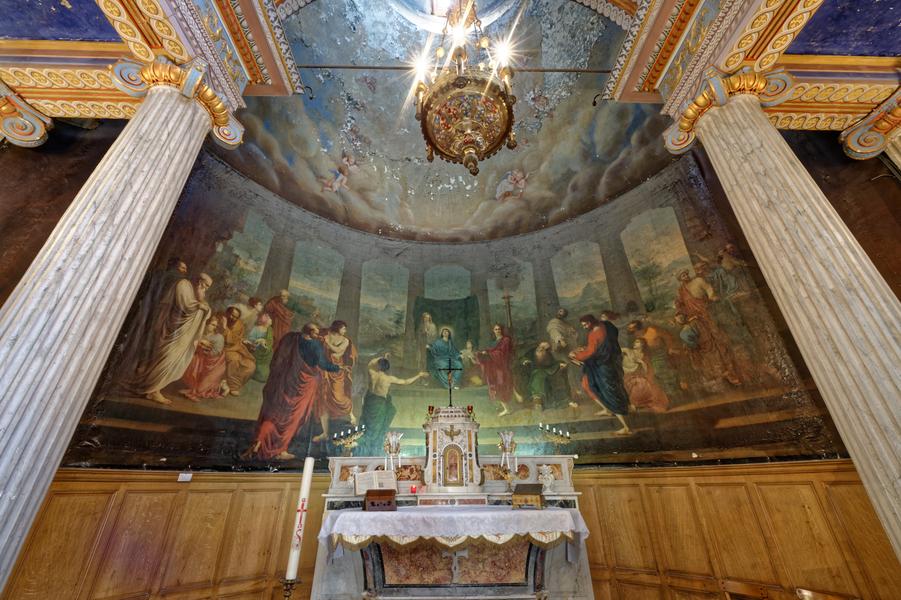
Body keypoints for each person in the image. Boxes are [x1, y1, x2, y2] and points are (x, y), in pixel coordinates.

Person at [248, 323, 341, 460]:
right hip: (305, 385)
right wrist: (337, 368)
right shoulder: (315, 345)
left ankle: (259, 441)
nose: (318, 335)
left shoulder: (292, 338)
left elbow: (279, 359)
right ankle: (281, 449)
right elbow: (323, 364)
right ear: (310, 333)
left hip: (286, 382)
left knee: (276, 414)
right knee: (293, 418)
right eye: (316, 332)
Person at [134, 273, 213, 405]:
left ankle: (154, 389)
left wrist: (203, 304)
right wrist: (201, 305)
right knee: (167, 356)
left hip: (185, 335)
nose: (204, 288)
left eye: (207, 287)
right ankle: (152, 389)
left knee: (173, 359)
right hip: (171, 329)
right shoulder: (183, 285)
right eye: (204, 285)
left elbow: (205, 308)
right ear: (199, 281)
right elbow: (186, 306)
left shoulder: (198, 291)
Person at [674, 269, 741, 385]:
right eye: (682, 276)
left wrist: (711, 296)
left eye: (685, 274)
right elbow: (679, 305)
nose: (685, 276)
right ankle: (719, 372)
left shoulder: (698, 281)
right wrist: (679, 315)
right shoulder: (681, 291)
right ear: (680, 279)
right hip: (695, 320)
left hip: (708, 315)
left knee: (719, 340)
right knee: (705, 345)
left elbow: (709, 289)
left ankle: (731, 370)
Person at [569, 314, 631, 435]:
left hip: (602, 366)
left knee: (610, 393)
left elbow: (591, 352)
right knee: (586, 383)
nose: (585, 327)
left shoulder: (594, 334)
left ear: (591, 321)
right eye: (583, 325)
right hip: (609, 362)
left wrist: (575, 355)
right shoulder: (605, 325)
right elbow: (599, 347)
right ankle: (606, 409)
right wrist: (587, 350)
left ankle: (626, 427)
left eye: (586, 324)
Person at [356, 353, 427, 456]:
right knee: (378, 428)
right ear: (387, 368)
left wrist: (382, 358)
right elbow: (405, 381)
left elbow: (370, 364)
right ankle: (373, 451)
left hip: (370, 402)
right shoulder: (388, 379)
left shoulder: (372, 373)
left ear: (379, 366)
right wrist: (419, 375)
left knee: (367, 426)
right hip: (379, 404)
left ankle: (366, 450)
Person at [313, 320, 357, 442]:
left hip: (337, 371)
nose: (345, 331)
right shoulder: (327, 336)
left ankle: (351, 415)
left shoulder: (345, 341)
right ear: (337, 328)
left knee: (339, 397)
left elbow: (338, 352)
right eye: (343, 328)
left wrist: (327, 343)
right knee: (323, 400)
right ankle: (325, 433)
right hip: (324, 371)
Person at [179, 315, 228, 401]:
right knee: (192, 360)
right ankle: (192, 386)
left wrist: (202, 349)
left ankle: (222, 386)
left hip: (213, 364)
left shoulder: (219, 337)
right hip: (201, 358)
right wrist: (199, 345)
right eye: (212, 324)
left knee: (201, 389)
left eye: (216, 326)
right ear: (206, 323)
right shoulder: (200, 333)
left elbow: (216, 353)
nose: (214, 327)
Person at [546, 307, 583, 407]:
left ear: (565, 315)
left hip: (569, 350)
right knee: (568, 371)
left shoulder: (566, 324)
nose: (561, 313)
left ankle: (577, 394)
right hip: (560, 352)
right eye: (560, 311)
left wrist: (573, 336)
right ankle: (571, 397)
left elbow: (574, 333)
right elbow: (554, 332)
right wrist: (560, 339)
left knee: (576, 368)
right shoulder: (553, 323)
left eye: (563, 312)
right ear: (557, 312)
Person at [478, 324, 517, 417]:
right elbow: (492, 350)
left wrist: (489, 354)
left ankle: (507, 409)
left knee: (501, 385)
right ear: (493, 331)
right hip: (494, 367)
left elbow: (502, 353)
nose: (497, 330)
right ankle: (504, 407)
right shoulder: (494, 342)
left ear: (502, 330)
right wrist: (484, 353)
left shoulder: (506, 340)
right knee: (495, 385)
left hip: (502, 367)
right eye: (496, 329)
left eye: (499, 329)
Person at [622, 338, 669, 413]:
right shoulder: (629, 351)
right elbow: (619, 350)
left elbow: (647, 371)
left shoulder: (644, 356)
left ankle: (637, 406)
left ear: (642, 344)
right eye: (635, 341)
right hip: (628, 376)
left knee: (643, 384)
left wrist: (641, 362)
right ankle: (633, 405)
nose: (634, 343)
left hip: (639, 377)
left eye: (637, 342)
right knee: (636, 384)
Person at [521, 341, 567, 410]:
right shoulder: (532, 351)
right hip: (531, 371)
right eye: (540, 347)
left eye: (544, 349)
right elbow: (523, 358)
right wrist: (525, 361)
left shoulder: (548, 355)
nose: (541, 349)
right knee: (537, 376)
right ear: (538, 346)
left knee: (540, 376)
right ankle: (537, 402)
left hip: (545, 371)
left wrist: (560, 363)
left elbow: (552, 364)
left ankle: (540, 402)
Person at [223, 306, 256, 396]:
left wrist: (244, 341)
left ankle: (233, 385)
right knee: (234, 359)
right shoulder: (221, 320)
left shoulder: (239, 324)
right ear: (227, 313)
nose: (233, 318)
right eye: (232, 315)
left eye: (236, 317)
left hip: (238, 348)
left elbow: (237, 338)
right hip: (225, 348)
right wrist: (225, 326)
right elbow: (225, 340)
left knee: (251, 365)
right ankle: (233, 386)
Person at [247, 313, 274, 382]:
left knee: (264, 375)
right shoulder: (256, 329)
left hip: (265, 352)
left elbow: (270, 341)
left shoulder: (270, 330)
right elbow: (250, 339)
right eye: (270, 319)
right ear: (265, 321)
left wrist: (264, 342)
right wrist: (258, 340)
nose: (271, 320)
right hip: (255, 350)